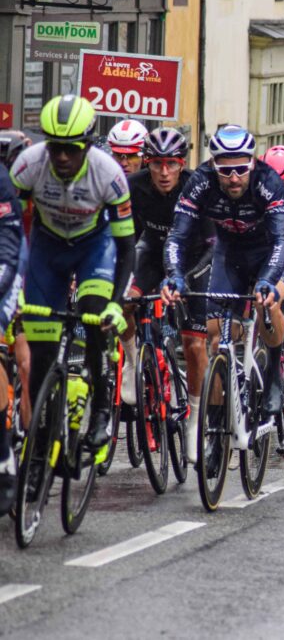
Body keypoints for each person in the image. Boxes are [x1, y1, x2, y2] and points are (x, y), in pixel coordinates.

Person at [12, 95, 136, 454]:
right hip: (47, 249)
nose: (63, 156)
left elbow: (126, 246)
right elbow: (11, 230)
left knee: (94, 314)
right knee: (41, 353)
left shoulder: (109, 174)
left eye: (72, 148)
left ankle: (101, 411)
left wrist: (116, 303)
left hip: (93, 248)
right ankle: (40, 445)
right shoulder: (28, 166)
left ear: (87, 145)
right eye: (55, 147)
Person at [163, 125, 284, 428]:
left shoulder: (269, 183)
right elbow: (177, 237)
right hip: (229, 253)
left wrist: (267, 280)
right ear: (213, 165)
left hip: (270, 252)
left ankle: (274, 371)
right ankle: (216, 424)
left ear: (252, 163)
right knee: (215, 337)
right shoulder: (201, 182)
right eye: (225, 170)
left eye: (241, 169)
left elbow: (282, 241)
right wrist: (175, 275)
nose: (234, 178)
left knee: (267, 303)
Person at [120, 129, 214, 461]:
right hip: (152, 253)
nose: (163, 172)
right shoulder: (134, 186)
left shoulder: (198, 188)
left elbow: (211, 247)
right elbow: (126, 239)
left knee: (194, 344)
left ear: (182, 164)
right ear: (146, 163)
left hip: (194, 261)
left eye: (171, 164)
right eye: (156, 164)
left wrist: (182, 281)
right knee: (124, 303)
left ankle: (195, 419)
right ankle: (134, 362)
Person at [0, 156, 26, 512]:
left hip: (9, 262)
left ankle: (7, 450)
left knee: (27, 359)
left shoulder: (4, 183)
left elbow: (8, 248)